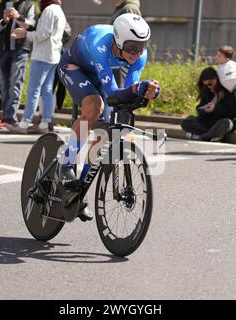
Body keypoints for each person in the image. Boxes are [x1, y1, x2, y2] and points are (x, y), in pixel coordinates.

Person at [57, 13, 160, 221]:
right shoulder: (99, 42)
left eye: (141, 46)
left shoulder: (139, 55)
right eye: (131, 46)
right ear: (118, 39)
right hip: (73, 67)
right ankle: (66, 164)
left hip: (97, 72)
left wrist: (147, 91)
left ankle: (78, 190)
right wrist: (136, 89)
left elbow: (129, 89)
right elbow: (114, 93)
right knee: (94, 107)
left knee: (106, 129)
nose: (136, 52)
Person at [5, 0, 66, 134]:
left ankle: (24, 124)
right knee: (47, 90)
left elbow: (42, 34)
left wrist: (24, 34)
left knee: (34, 90)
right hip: (53, 55)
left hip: (42, 55)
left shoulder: (49, 10)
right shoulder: (59, 10)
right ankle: (45, 123)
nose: (39, 2)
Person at [0, 0, 36, 128]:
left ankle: (11, 118)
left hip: (20, 49)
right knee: (4, 84)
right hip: (3, 50)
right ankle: (6, 117)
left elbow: (32, 24)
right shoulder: (0, 6)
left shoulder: (29, 5)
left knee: (15, 83)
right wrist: (4, 21)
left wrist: (18, 17)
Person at [181, 67, 236, 142]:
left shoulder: (226, 91)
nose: (208, 87)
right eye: (206, 85)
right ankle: (211, 134)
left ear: (217, 80)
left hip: (221, 121)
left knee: (227, 123)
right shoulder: (206, 91)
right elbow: (200, 110)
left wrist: (216, 108)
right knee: (187, 122)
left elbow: (232, 111)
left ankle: (203, 136)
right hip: (208, 123)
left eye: (210, 84)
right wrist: (205, 111)